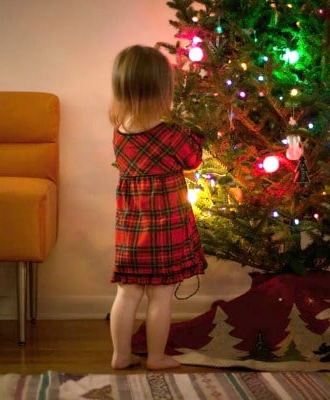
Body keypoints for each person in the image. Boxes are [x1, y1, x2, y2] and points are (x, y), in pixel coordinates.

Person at [108, 45, 208, 370]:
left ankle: (120, 355)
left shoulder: (120, 133)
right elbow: (193, 160)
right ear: (162, 90)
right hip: (166, 226)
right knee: (160, 296)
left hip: (131, 225)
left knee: (127, 293)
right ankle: (156, 357)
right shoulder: (171, 134)